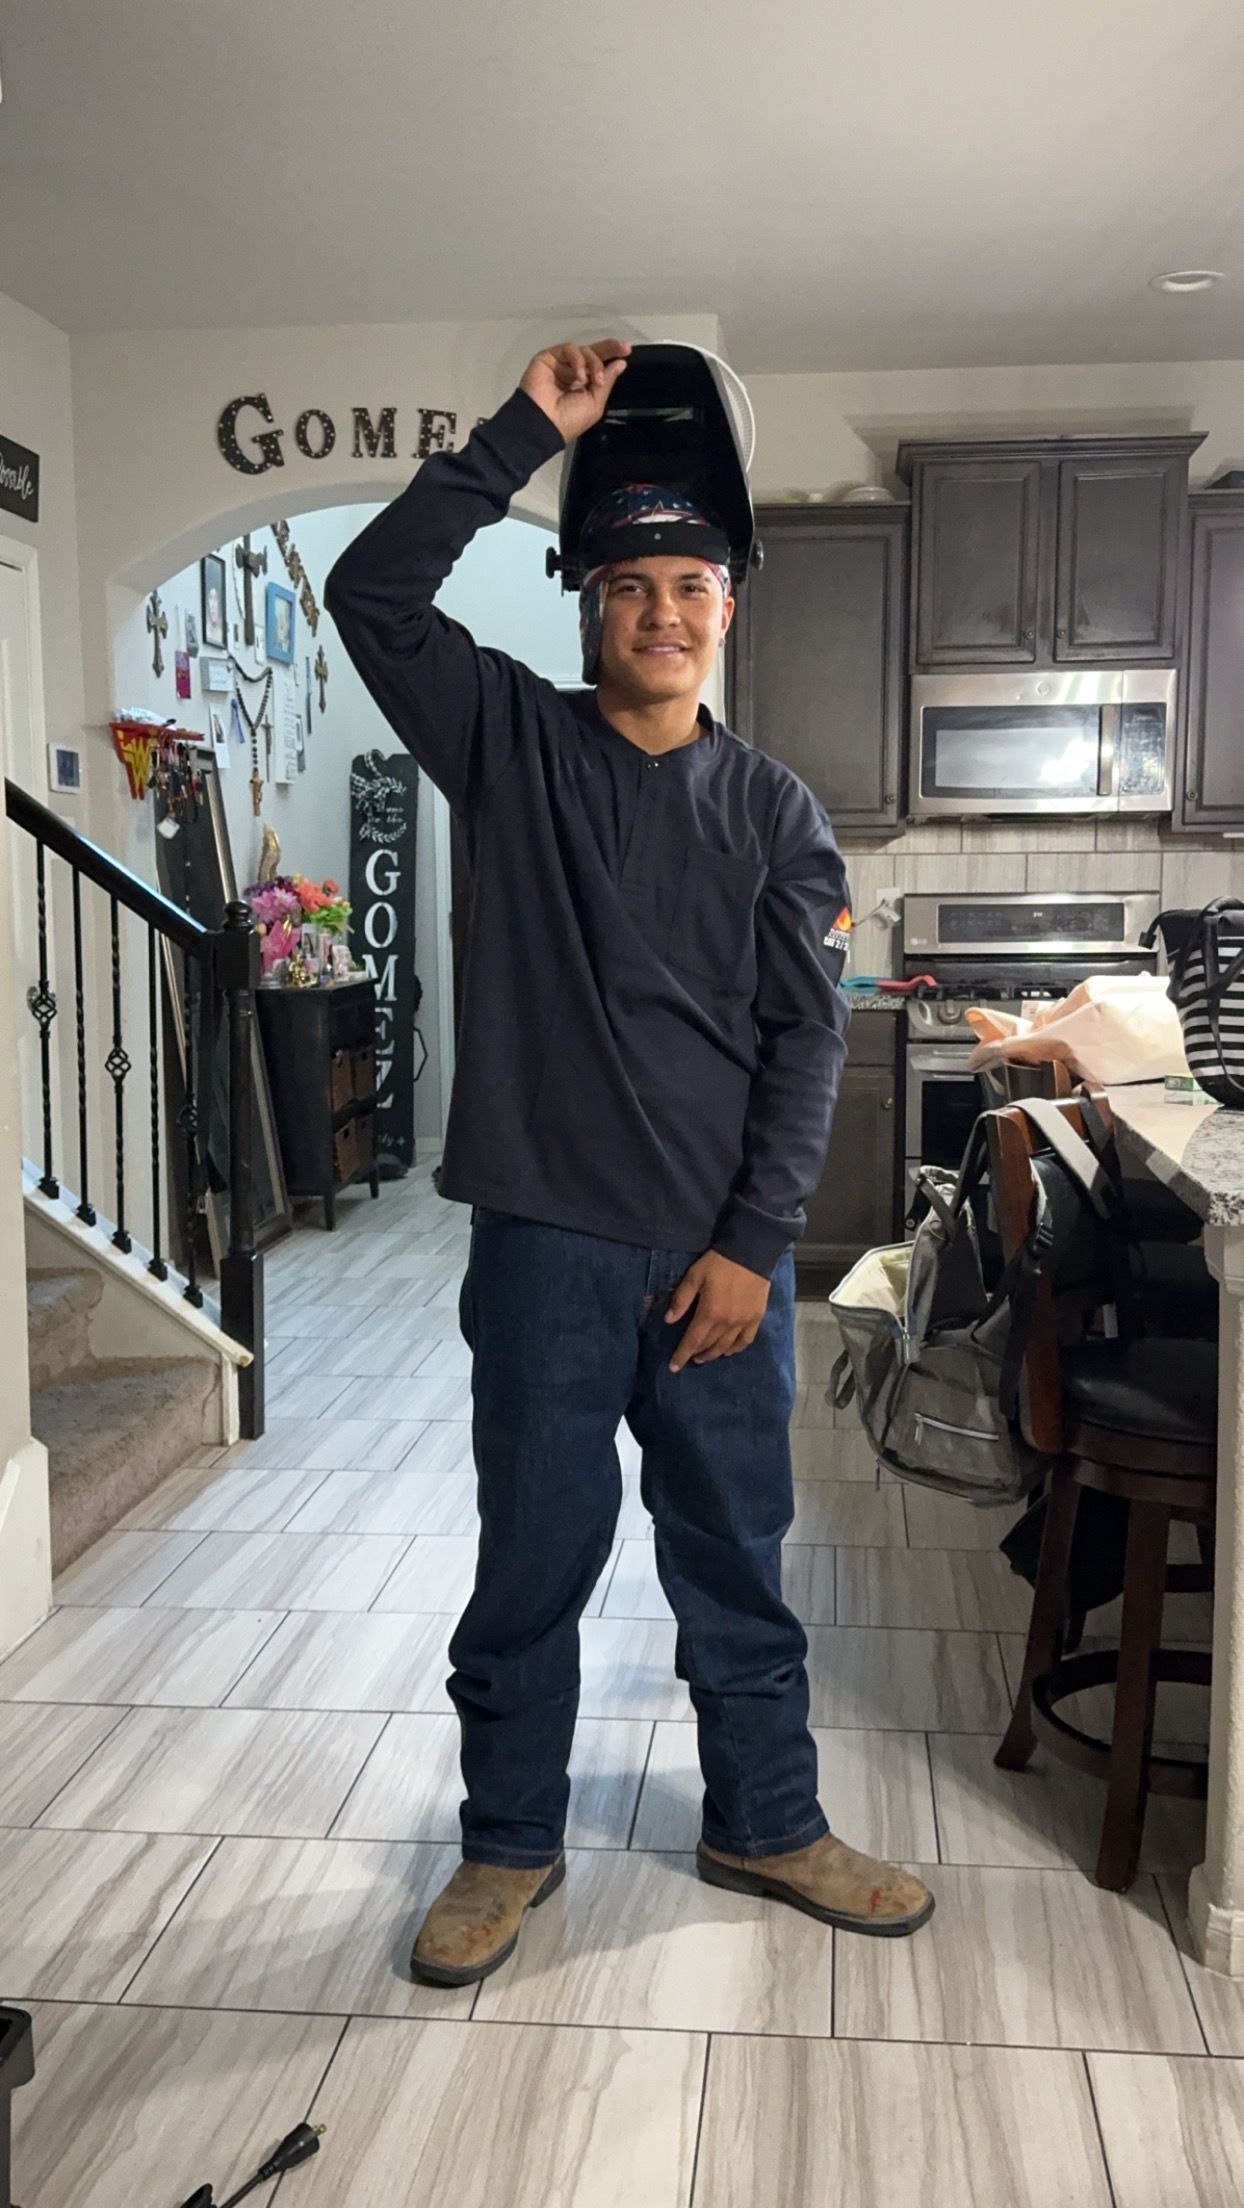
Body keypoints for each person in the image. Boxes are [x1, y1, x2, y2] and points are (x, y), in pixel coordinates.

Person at [325, 339, 934, 1987]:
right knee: (533, 1558)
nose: (662, 611)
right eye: (629, 585)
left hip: (722, 1265)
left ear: (729, 604)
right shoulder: (506, 747)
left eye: (689, 585)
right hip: (546, 1251)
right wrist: (527, 431)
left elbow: (805, 1046)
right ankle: (509, 1842)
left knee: (736, 1557)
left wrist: (754, 1244)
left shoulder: (777, 814)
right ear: (586, 600)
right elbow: (373, 593)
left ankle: (768, 1819)